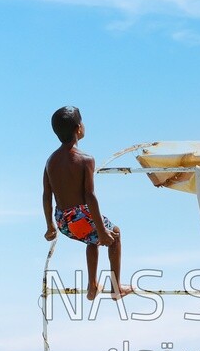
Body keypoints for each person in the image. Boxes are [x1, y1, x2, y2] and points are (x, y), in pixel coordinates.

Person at [42, 106, 133, 299]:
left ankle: (93, 286)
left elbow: (46, 194)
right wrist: (102, 230)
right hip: (81, 216)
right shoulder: (85, 159)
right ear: (78, 129)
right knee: (114, 234)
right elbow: (89, 196)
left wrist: (50, 225)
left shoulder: (51, 161)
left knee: (91, 237)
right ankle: (116, 289)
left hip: (63, 222)